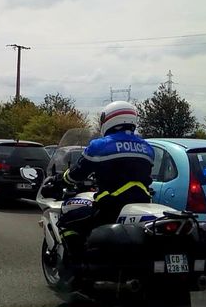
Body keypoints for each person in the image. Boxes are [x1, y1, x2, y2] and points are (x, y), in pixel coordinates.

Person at [56, 101, 155, 269]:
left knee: (68, 219)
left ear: (109, 119)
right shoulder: (147, 147)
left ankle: (75, 267)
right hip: (142, 203)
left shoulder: (100, 145)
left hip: (111, 204)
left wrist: (61, 180)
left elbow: (78, 173)